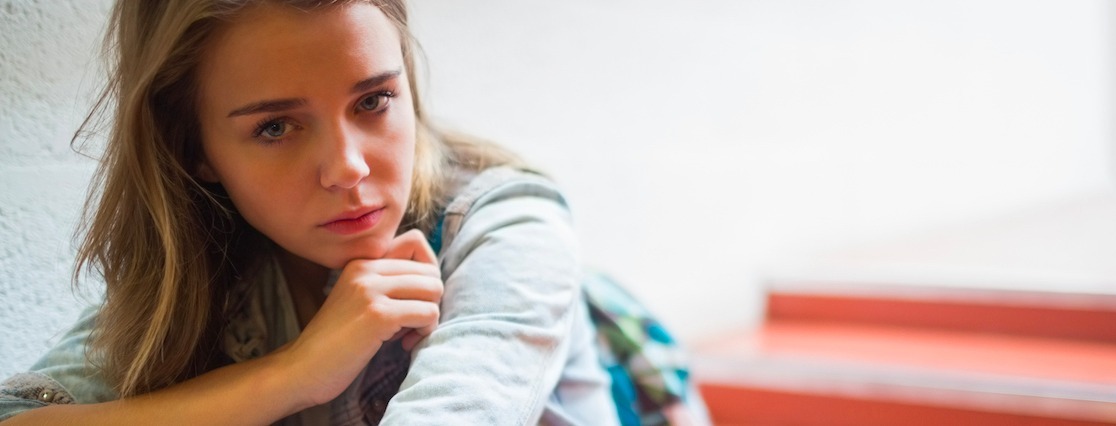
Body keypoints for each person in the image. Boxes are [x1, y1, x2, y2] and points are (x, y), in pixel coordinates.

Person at [0, 0, 662, 424]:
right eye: (277, 128)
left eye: (372, 102)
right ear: (194, 150)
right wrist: (292, 374)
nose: (349, 167)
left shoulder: (505, 225)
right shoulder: (209, 267)